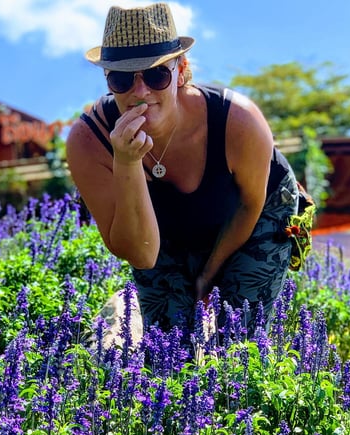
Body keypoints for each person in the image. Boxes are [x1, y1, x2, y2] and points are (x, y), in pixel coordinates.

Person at [66, 2, 299, 336]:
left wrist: (208, 277)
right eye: (121, 79)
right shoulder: (89, 140)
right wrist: (128, 163)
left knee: (240, 340)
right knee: (168, 353)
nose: (140, 92)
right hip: (163, 229)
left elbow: (250, 204)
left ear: (181, 69)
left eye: (156, 74)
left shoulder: (238, 120)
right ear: (107, 80)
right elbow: (141, 255)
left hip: (257, 210)